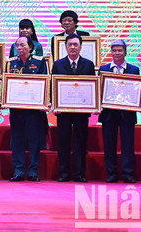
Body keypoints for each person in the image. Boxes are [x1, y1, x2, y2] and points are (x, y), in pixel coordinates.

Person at [99, 39, 141, 183]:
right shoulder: (104, 69)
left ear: (125, 52)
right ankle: (111, 173)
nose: (117, 53)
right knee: (109, 145)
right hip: (108, 113)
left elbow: (139, 89)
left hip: (127, 113)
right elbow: (99, 91)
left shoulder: (133, 69)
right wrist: (97, 105)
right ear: (111, 52)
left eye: (120, 50)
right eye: (114, 50)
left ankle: (128, 174)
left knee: (128, 144)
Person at [52, 33, 96, 183]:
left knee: (80, 142)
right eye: (70, 44)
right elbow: (53, 87)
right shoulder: (57, 64)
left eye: (75, 45)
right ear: (65, 47)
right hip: (63, 111)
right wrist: (54, 103)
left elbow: (92, 88)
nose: (72, 47)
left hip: (81, 112)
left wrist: (92, 105)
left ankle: (79, 173)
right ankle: (63, 172)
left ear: (80, 47)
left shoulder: (89, 65)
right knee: (63, 141)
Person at [7, 35, 48, 182]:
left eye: (23, 45)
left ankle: (33, 171)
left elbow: (45, 83)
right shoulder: (10, 64)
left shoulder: (40, 62)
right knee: (17, 140)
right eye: (17, 46)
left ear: (30, 47)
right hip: (16, 110)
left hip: (34, 110)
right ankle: (18, 171)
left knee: (34, 140)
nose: (19, 48)